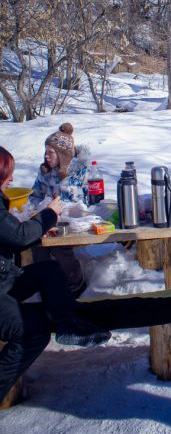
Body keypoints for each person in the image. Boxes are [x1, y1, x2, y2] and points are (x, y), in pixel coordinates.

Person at [0, 146, 111, 404]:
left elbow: (10, 235)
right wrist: (49, 214)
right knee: (33, 330)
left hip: (5, 277)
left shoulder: (75, 171)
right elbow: (16, 236)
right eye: (7, 174)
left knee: (48, 271)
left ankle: (67, 324)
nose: (12, 180)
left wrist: (36, 229)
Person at [30, 123, 88, 296]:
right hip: (47, 217)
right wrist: (36, 208)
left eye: (51, 152)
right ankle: (44, 283)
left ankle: (75, 283)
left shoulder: (77, 172)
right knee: (37, 244)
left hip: (73, 219)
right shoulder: (45, 171)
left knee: (58, 246)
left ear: (62, 154)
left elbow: (78, 202)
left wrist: (53, 210)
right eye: (45, 152)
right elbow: (35, 194)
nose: (46, 156)